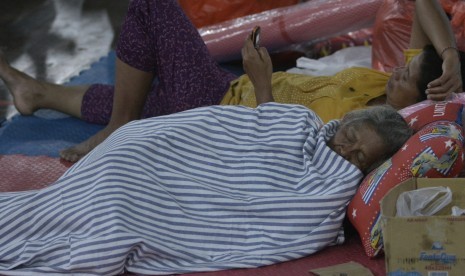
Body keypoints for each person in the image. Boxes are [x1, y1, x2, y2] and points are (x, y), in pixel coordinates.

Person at [0, 48, 412, 273]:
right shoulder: (353, 90)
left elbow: (287, 201)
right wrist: (262, 84)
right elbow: (268, 129)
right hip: (194, 123)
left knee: (116, 210)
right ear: (348, 121)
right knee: (126, 144)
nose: (345, 153)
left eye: (359, 157)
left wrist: (262, 85)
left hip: (207, 117)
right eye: (349, 139)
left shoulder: (336, 180)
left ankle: (64, 105)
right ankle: (91, 117)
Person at [0, 0, 461, 163]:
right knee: (144, 97)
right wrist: (446, 56)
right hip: (228, 93)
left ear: (415, 106)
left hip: (225, 113)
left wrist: (263, 84)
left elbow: (281, 156)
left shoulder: (376, 132)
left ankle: (118, 124)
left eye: (412, 75)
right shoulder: (377, 83)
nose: (402, 67)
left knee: (150, 7)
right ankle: (34, 91)